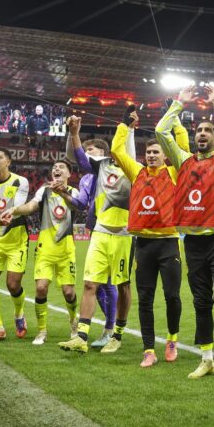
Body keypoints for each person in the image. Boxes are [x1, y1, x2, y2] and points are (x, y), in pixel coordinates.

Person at [156, 84, 214, 383]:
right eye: (199, 131)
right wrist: (179, 104)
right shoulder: (183, 162)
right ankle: (207, 358)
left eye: (208, 130)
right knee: (201, 300)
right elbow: (161, 132)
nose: (202, 134)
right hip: (192, 240)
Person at [112, 106, 189, 367]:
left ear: (165, 155)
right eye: (149, 152)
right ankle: (148, 349)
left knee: (172, 296)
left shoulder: (174, 172)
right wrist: (124, 125)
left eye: (156, 152)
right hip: (143, 245)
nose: (152, 155)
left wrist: (175, 117)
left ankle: (171, 340)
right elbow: (117, 151)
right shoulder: (136, 173)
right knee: (145, 299)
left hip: (169, 243)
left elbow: (183, 146)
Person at [57, 113, 133, 355]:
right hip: (99, 233)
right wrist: (75, 133)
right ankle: (81, 336)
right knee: (91, 283)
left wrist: (128, 128)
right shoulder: (101, 166)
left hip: (123, 236)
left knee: (121, 286)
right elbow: (78, 157)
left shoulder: (135, 170)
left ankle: (116, 334)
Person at [0, 160, 79, 344]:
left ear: (69, 174)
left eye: (61, 168)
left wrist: (64, 193)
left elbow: (77, 207)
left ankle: (74, 324)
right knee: (41, 288)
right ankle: (42, 331)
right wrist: (15, 209)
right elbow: (30, 207)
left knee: (68, 292)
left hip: (67, 250)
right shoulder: (44, 190)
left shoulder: (75, 193)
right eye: (54, 168)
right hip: (44, 249)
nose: (56, 169)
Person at [64, 135, 125, 347]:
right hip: (96, 229)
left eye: (92, 150)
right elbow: (81, 204)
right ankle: (100, 330)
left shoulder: (109, 170)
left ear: (104, 154)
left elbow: (78, 157)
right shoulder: (86, 178)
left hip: (114, 230)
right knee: (95, 283)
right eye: (86, 149)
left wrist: (75, 135)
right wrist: (64, 193)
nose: (87, 153)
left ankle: (110, 330)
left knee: (108, 283)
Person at [0, 148, 30, 341]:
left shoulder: (20, 181)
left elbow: (17, 207)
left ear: (8, 161)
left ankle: (19, 314)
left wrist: (9, 214)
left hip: (17, 241)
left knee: (12, 285)